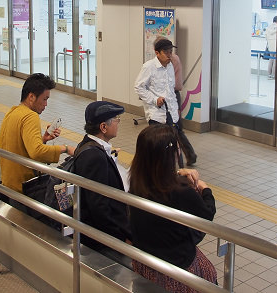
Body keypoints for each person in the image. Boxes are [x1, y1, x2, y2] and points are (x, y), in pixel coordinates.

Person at [129, 124, 217, 292]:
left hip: (145, 263)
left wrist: (177, 174)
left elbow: (158, 177)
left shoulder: (136, 182)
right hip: (176, 268)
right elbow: (206, 215)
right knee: (209, 275)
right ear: (172, 155)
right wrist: (205, 189)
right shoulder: (180, 192)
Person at [72, 100, 132, 260]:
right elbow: (99, 206)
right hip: (102, 241)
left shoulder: (87, 144)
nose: (118, 123)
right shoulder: (94, 156)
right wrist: (120, 239)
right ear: (103, 127)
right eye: (116, 119)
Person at [0, 73, 75, 195]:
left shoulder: (13, 112)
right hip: (24, 187)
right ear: (31, 97)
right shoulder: (30, 116)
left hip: (9, 183)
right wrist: (65, 148)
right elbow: (36, 152)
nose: (46, 104)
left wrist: (43, 139)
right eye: (44, 99)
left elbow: (20, 146)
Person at [135, 39, 197, 165]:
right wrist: (154, 99)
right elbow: (139, 87)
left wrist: (176, 109)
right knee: (158, 148)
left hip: (171, 115)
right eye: (166, 52)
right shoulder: (149, 67)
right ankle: (155, 172)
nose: (169, 55)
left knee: (173, 148)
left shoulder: (170, 66)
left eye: (171, 52)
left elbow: (171, 91)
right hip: (156, 115)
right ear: (157, 53)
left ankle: (173, 170)